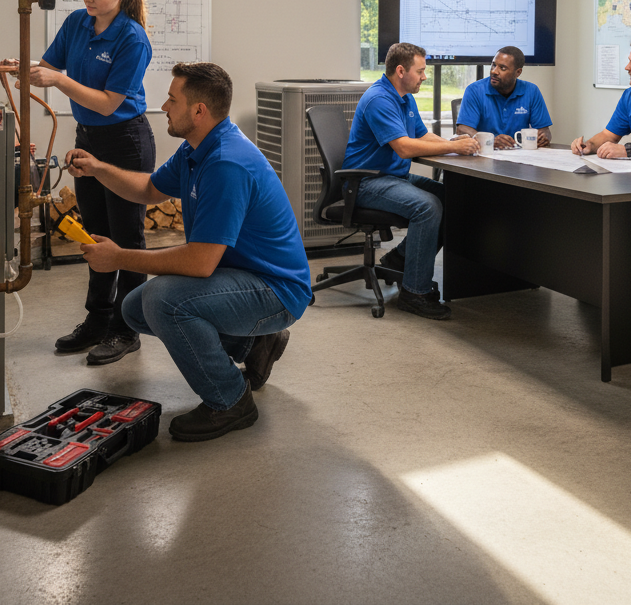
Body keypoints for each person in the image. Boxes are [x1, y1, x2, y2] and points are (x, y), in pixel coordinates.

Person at [65, 62, 312, 442]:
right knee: (134, 308)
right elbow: (149, 189)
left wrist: (119, 258)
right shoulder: (197, 148)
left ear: (199, 111)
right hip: (241, 276)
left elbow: (199, 262)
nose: (164, 106)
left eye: (172, 99)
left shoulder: (226, 163)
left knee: (165, 300)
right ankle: (254, 344)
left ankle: (230, 401)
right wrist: (99, 169)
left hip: (276, 290)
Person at [6, 0, 155, 366]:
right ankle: (97, 319)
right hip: (88, 139)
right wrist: (19, 68)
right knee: (93, 234)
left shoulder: (131, 37)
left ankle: (128, 328)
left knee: (126, 239)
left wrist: (59, 80)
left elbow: (109, 104)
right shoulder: (77, 23)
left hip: (125, 140)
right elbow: (48, 66)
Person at [344, 42, 480, 320]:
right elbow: (405, 147)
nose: (425, 76)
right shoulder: (379, 99)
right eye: (420, 71)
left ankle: (400, 259)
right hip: (366, 182)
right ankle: (414, 293)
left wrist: (453, 143)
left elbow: (422, 134)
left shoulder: (404, 97)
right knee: (427, 207)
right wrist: (453, 148)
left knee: (448, 198)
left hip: (392, 177)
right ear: (401, 70)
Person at [456, 45, 552, 148]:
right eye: (493, 65)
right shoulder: (474, 90)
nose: (494, 71)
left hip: (520, 155)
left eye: (502, 68)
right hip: (485, 154)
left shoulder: (532, 91)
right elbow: (462, 129)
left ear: (518, 72)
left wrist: (543, 137)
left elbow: (545, 130)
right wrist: (490, 141)